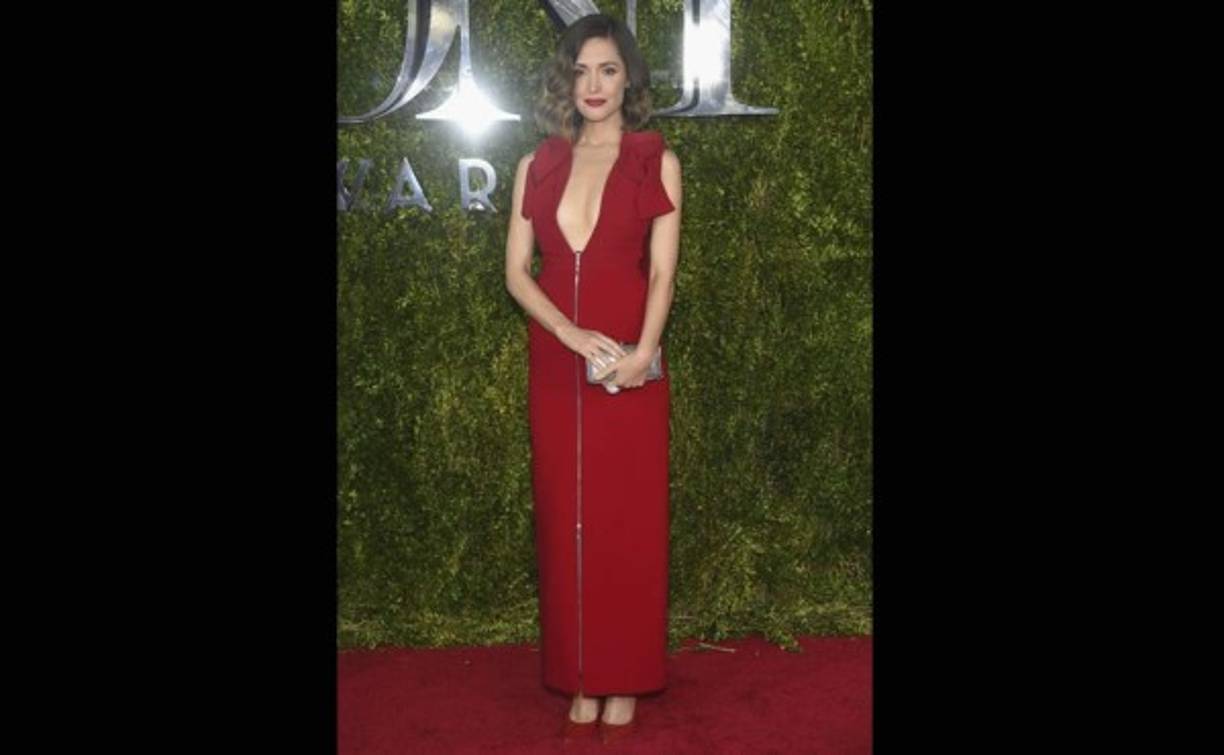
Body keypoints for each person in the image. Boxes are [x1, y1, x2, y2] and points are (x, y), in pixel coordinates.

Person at [504, 12, 683, 744]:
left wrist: (643, 351)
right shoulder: (537, 163)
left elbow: (664, 269)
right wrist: (571, 334)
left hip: (630, 368)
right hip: (557, 362)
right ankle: (579, 670)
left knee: (626, 525)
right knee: (564, 519)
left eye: (608, 69)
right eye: (580, 71)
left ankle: (625, 674)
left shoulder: (653, 158)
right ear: (564, 80)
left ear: (629, 77)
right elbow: (517, 272)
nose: (594, 85)